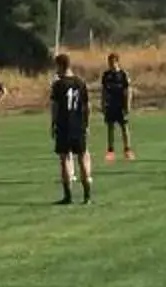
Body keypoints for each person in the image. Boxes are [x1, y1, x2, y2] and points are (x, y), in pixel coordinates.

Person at [49, 52, 95, 205]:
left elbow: (54, 107)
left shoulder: (58, 84)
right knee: (83, 157)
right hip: (79, 124)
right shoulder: (80, 83)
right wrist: (87, 124)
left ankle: (68, 196)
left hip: (64, 125)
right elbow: (87, 106)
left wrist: (53, 124)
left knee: (65, 159)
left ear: (61, 66)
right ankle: (87, 196)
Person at [100, 52, 134, 163]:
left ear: (117, 62)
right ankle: (110, 151)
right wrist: (102, 104)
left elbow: (128, 90)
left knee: (124, 127)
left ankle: (127, 150)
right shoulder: (106, 75)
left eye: (113, 62)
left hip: (121, 105)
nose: (111, 64)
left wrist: (128, 104)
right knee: (110, 128)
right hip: (110, 105)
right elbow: (104, 91)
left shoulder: (123, 74)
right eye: (109, 62)